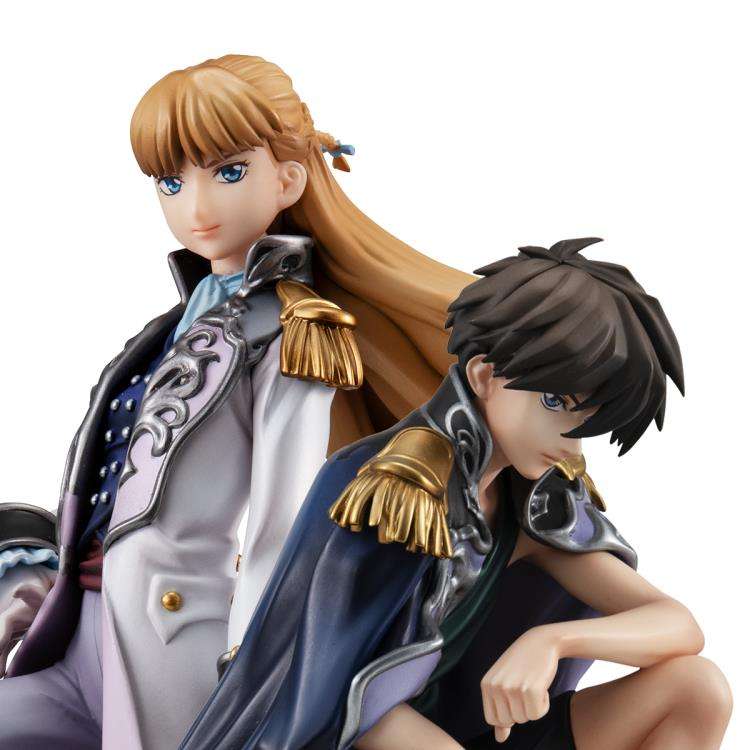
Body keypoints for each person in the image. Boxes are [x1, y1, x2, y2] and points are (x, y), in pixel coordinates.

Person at [0, 55, 473, 750]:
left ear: (289, 179)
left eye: (228, 173)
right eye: (171, 182)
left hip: (173, 635)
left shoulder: (293, 330)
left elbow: (283, 513)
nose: (196, 207)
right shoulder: (174, 323)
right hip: (82, 627)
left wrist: (253, 661)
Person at [181, 238, 733, 750]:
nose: (570, 443)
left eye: (586, 419)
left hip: (476, 732)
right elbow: (335, 693)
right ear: (485, 375)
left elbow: (677, 626)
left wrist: (553, 642)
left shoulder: (532, 500)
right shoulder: (392, 487)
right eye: (555, 403)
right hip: (348, 738)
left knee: (697, 688)